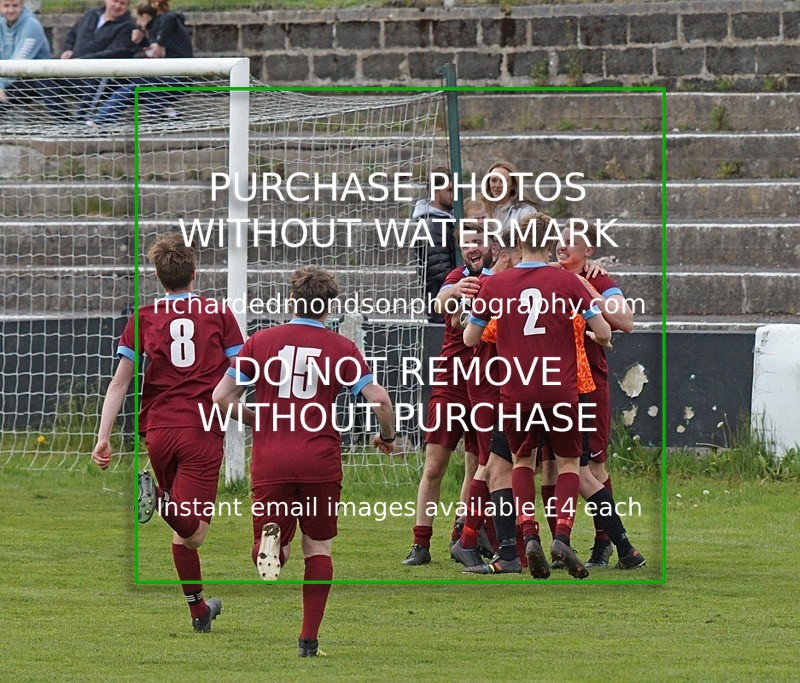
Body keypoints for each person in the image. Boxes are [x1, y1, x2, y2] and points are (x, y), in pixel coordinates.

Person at [212, 265, 395, 658]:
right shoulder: (341, 348)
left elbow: (222, 398)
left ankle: (272, 547)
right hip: (319, 461)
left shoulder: (261, 342)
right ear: (328, 309)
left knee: (273, 549)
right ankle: (308, 640)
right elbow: (380, 400)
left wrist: (259, 418)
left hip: (272, 458)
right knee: (319, 549)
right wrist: (388, 436)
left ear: (291, 301)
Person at [92, 233, 244, 632]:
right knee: (195, 534)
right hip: (200, 430)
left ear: (160, 278)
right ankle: (157, 496)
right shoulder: (218, 313)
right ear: (195, 273)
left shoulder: (144, 317)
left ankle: (199, 614)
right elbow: (243, 372)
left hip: (158, 431)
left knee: (180, 531)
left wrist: (103, 436)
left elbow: (120, 382)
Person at [464, 211, 612, 580]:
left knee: (522, 462)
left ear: (517, 243)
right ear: (551, 243)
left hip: (517, 391)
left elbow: (469, 338)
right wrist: (598, 338)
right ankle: (561, 536)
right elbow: (604, 330)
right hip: (561, 389)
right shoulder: (568, 282)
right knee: (566, 465)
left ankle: (527, 533)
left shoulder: (496, 285)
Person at [549, 218, 645, 570]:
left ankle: (604, 543)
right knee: (557, 466)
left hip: (590, 385)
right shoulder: (547, 274)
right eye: (559, 239)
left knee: (593, 466)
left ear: (589, 249)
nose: (562, 246)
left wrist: (584, 288)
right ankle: (563, 541)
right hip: (554, 385)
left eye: (571, 240)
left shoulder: (598, 279)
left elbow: (626, 321)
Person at [402, 199, 493, 566]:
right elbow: (443, 303)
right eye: (468, 241)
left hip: (487, 384)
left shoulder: (500, 280)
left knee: (476, 466)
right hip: (452, 383)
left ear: (492, 244)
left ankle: (462, 531)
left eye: (480, 240)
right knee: (434, 466)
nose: (474, 247)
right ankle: (420, 542)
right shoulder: (458, 278)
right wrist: (450, 295)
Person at [450, 220, 523, 573]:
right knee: (494, 463)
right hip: (491, 383)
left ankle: (472, 539)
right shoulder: (490, 285)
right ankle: (495, 543)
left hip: (505, 384)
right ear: (506, 253)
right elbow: (462, 327)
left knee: (495, 462)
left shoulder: (506, 283)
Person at [89, 0, 193, 125]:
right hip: (165, 78)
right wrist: (143, 41)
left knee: (133, 84)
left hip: (179, 79)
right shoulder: (157, 28)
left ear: (144, 16)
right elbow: (154, 53)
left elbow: (171, 17)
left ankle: (100, 121)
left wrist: (160, 43)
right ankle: (169, 113)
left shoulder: (165, 22)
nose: (137, 23)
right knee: (132, 88)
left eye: (137, 18)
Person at [40, 0, 137, 119]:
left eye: (123, 3)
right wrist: (68, 49)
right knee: (43, 75)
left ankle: (82, 121)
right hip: (74, 71)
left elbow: (117, 52)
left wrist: (84, 60)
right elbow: (72, 34)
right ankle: (63, 121)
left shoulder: (129, 26)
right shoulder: (91, 14)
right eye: (115, 1)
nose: (117, 6)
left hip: (104, 79)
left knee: (96, 76)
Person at [411, 167, 456, 323]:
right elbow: (440, 271)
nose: (454, 194)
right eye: (450, 190)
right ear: (435, 193)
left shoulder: (445, 221)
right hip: (443, 306)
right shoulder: (431, 225)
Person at [0, 0, 51, 106]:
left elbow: (18, 62)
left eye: (15, 6)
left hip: (37, 79)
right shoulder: (1, 24)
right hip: (9, 78)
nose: (10, 10)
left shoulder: (32, 25)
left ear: (22, 6)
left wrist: (1, 85)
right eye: (6, 6)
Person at [484, 160, 536, 229]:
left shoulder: (525, 212)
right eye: (493, 180)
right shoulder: (481, 209)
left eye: (503, 181)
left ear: (513, 185)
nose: (497, 185)